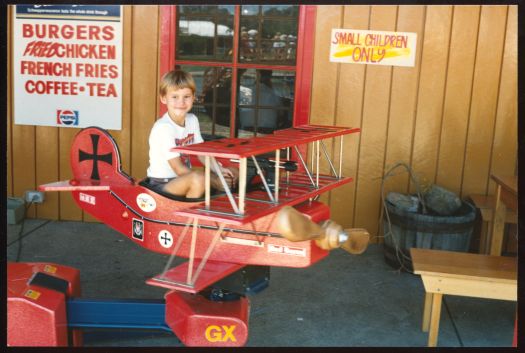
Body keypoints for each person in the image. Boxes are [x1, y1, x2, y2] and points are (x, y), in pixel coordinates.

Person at [147, 70, 238, 199]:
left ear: (193, 97)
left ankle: (214, 204)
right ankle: (188, 216)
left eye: (186, 96)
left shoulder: (192, 120)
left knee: (233, 172)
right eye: (175, 97)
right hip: (162, 184)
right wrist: (215, 182)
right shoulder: (163, 128)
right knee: (200, 179)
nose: (181, 102)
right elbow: (178, 169)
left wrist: (220, 170)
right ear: (163, 98)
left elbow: (201, 153)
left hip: (183, 179)